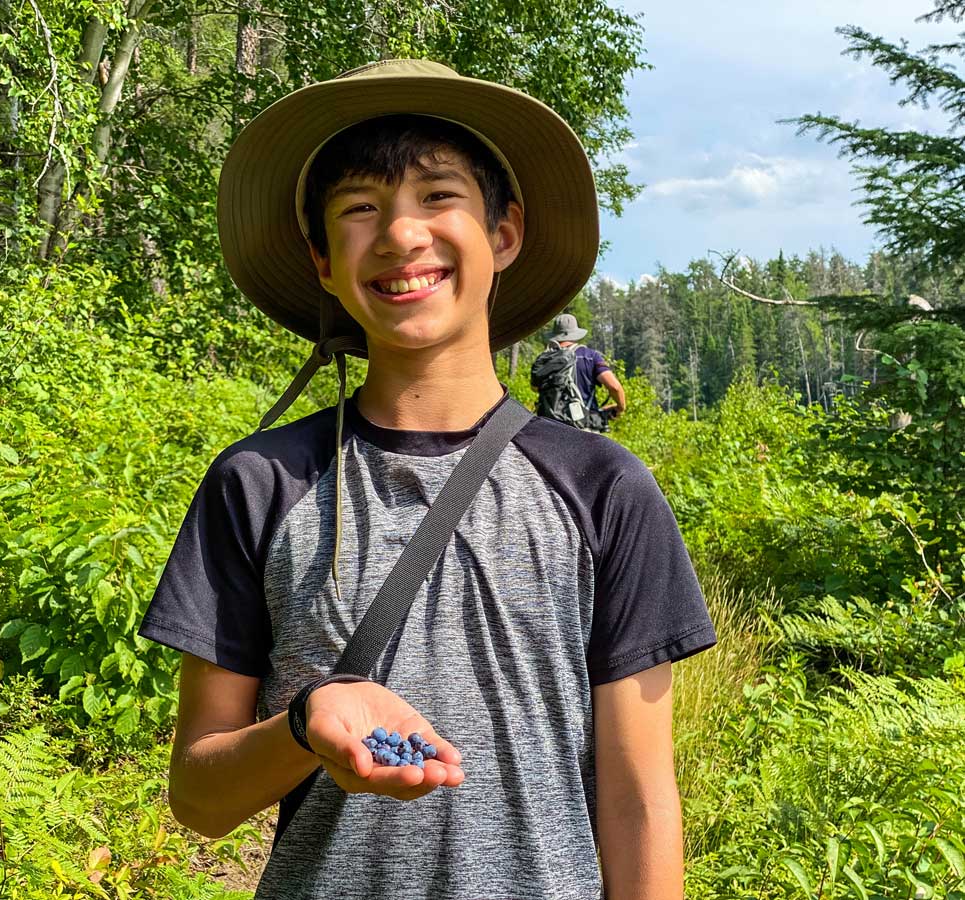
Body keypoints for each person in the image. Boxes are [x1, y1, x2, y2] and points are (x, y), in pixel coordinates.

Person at [137, 59, 716, 900]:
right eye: (359, 210)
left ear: (504, 234)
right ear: (324, 261)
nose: (401, 235)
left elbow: (639, 803)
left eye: (438, 196)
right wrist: (306, 725)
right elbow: (198, 799)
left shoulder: (603, 488)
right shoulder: (258, 484)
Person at [531, 313, 626, 432]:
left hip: (549, 428)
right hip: (582, 427)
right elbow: (614, 387)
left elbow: (534, 388)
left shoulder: (545, 358)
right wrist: (620, 407)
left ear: (555, 334)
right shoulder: (590, 356)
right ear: (576, 334)